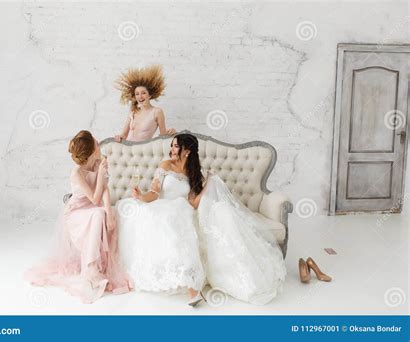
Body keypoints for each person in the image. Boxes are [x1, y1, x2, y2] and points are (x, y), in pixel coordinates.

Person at [117, 133, 286, 306]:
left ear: (187, 151)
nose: (172, 149)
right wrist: (140, 197)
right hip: (163, 209)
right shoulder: (165, 165)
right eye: (172, 145)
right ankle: (193, 289)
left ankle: (193, 288)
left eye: (176, 146)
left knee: (186, 220)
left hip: (183, 210)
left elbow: (193, 203)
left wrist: (207, 186)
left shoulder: (194, 173)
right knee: (171, 221)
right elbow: (154, 193)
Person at [25, 130, 131, 303]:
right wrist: (102, 179)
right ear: (90, 151)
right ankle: (90, 270)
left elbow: (104, 191)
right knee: (98, 213)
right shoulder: (77, 173)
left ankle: (98, 266)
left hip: (92, 208)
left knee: (102, 213)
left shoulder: (99, 163)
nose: (99, 143)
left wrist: (110, 213)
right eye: (96, 143)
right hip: (77, 212)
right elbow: (95, 198)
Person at [114, 64, 176, 142]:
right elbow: (124, 135)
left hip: (143, 151)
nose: (140, 96)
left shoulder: (157, 112)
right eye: (137, 94)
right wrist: (119, 136)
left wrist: (171, 132)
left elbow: (163, 136)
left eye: (143, 93)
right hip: (128, 150)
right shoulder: (133, 111)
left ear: (149, 95)